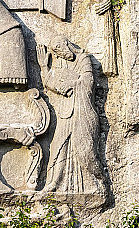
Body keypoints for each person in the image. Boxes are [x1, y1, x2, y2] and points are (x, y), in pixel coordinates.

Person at [37, 35, 106, 197]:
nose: (59, 54)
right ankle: (54, 183)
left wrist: (69, 84)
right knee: (58, 148)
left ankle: (100, 184)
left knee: (86, 150)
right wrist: (44, 67)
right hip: (65, 113)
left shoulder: (83, 58)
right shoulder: (61, 63)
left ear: (67, 44)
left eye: (60, 49)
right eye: (56, 52)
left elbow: (87, 82)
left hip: (83, 112)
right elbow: (50, 82)